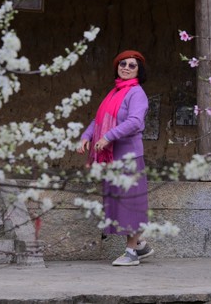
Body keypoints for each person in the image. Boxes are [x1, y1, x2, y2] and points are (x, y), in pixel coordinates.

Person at [77, 50, 154, 266]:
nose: (126, 68)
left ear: (139, 70)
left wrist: (108, 136)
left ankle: (131, 253)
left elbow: (135, 122)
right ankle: (140, 246)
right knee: (117, 202)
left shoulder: (136, 93)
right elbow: (99, 119)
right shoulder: (114, 93)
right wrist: (86, 137)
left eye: (132, 65)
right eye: (123, 64)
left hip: (129, 156)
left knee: (130, 203)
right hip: (113, 157)